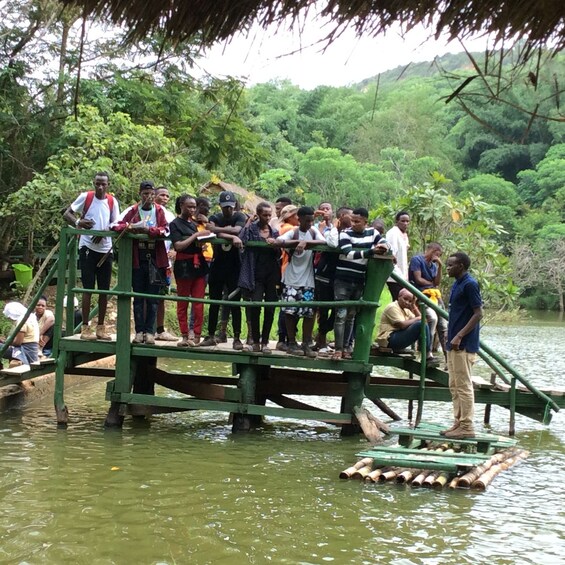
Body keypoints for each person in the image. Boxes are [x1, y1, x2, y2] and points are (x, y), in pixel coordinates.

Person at [63, 171, 120, 341]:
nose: (100, 187)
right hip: (87, 247)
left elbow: (116, 224)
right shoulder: (86, 197)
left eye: (103, 184)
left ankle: (101, 327)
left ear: (108, 185)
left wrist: (104, 232)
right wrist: (78, 222)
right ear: (93, 183)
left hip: (105, 249)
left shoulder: (112, 201)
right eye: (97, 183)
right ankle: (86, 328)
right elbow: (67, 213)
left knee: (104, 289)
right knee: (87, 288)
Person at [112, 181, 169, 344]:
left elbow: (166, 229)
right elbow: (116, 225)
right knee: (137, 297)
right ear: (140, 194)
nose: (148, 197)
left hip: (155, 258)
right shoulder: (132, 210)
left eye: (151, 194)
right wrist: (130, 228)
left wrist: (150, 231)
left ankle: (150, 332)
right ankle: (139, 332)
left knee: (153, 297)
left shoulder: (159, 211)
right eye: (145, 194)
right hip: (137, 258)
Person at [332, 207, 390, 360]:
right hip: (343, 279)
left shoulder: (373, 233)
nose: (353, 224)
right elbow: (348, 253)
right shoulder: (345, 233)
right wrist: (370, 252)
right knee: (341, 314)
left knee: (351, 315)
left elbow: (385, 243)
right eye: (352, 220)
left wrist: (384, 247)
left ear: (365, 222)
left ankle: (346, 348)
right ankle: (338, 349)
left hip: (358, 279)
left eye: (357, 221)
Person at [441, 252, 483, 439]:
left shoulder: (470, 284)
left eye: (451, 265)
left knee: (464, 385)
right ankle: (458, 422)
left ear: (461, 266)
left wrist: (459, 335)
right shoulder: (457, 283)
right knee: (454, 384)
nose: (447, 268)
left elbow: (478, 313)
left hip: (463, 343)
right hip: (453, 342)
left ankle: (467, 426)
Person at [199, 191, 247, 350]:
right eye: (225, 207)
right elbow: (210, 229)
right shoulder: (215, 217)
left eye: (231, 207)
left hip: (235, 266)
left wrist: (223, 231)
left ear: (235, 206)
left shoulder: (239, 217)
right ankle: (210, 335)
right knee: (214, 301)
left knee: (235, 303)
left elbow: (238, 230)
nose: (228, 210)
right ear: (220, 206)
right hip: (218, 265)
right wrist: (231, 235)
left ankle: (237, 337)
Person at [276, 206, 326, 358]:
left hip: (308, 278)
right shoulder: (294, 232)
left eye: (312, 220)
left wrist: (306, 243)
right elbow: (279, 241)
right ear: (299, 219)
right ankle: (291, 342)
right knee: (290, 312)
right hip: (291, 278)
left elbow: (323, 241)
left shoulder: (313, 232)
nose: (310, 223)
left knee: (309, 313)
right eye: (307, 220)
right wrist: (298, 241)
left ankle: (306, 342)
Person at [238, 202, 280, 353]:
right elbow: (241, 240)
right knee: (255, 306)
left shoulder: (274, 232)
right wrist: (248, 222)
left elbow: (279, 254)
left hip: (272, 274)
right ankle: (255, 341)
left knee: (270, 308)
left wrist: (276, 245)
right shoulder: (251, 229)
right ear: (258, 214)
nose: (267, 218)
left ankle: (265, 342)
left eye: (270, 215)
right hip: (255, 273)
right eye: (264, 215)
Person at [169, 195, 210, 347]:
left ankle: (197, 334)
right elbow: (178, 246)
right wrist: (196, 236)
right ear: (181, 205)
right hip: (184, 265)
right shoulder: (175, 224)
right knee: (183, 302)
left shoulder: (193, 223)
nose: (192, 209)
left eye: (194, 207)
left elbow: (195, 241)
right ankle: (184, 335)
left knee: (198, 302)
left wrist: (201, 240)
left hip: (199, 264)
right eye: (189, 206)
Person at [314, 206, 352, 355]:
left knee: (338, 310)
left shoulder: (351, 233)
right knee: (323, 308)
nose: (353, 219)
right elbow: (333, 244)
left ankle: (321, 335)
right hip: (325, 274)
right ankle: (321, 340)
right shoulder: (330, 230)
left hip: (340, 277)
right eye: (350, 216)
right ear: (341, 216)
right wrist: (333, 226)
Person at [376, 289, 438, 366]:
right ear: (399, 297)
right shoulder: (392, 307)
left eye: (409, 301)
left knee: (422, 324)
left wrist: (413, 305)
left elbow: (423, 320)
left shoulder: (406, 310)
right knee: (419, 324)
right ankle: (427, 355)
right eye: (405, 299)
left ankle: (426, 353)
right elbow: (402, 325)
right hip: (389, 340)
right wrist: (416, 319)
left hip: (397, 337)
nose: (407, 302)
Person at [409, 242, 448, 356]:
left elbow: (437, 282)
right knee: (432, 318)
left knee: (443, 324)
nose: (437, 257)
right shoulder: (417, 260)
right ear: (431, 250)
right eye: (437, 254)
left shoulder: (434, 266)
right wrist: (431, 284)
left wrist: (440, 266)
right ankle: (427, 351)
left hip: (433, 295)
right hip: (421, 294)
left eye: (439, 256)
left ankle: (447, 356)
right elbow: (418, 279)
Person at [153, 186, 178, 342]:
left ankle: (160, 329)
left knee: (162, 295)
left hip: (165, 260)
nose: (165, 198)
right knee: (146, 295)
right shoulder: (147, 211)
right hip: (147, 258)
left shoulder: (169, 215)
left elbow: (176, 234)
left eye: (167, 196)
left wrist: (175, 249)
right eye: (162, 195)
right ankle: (146, 329)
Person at [274, 204, 299, 351]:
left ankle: (285, 338)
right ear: (290, 217)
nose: (299, 219)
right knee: (287, 307)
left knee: (287, 306)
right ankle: (283, 338)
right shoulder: (289, 229)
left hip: (285, 271)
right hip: (287, 271)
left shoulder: (282, 227)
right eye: (297, 216)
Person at [1, 302, 39, 367]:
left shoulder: (22, 320)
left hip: (25, 350)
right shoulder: (31, 317)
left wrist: (6, 342)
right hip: (32, 349)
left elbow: (18, 342)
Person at [386, 211, 410, 300]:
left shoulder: (404, 235)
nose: (405, 224)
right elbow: (391, 254)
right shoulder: (393, 233)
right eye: (403, 221)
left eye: (407, 221)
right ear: (396, 221)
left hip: (403, 274)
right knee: (398, 299)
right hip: (395, 274)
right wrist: (398, 274)